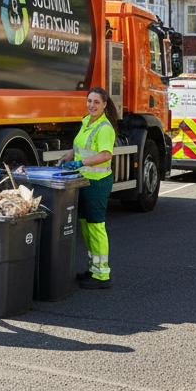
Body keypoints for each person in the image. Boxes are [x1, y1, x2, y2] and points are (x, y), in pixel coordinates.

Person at [59, 86, 117, 289]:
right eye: (89, 101)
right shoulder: (86, 122)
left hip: (96, 184)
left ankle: (102, 276)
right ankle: (94, 269)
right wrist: (69, 156)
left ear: (104, 105)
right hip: (83, 182)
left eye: (96, 102)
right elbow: (80, 147)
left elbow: (105, 155)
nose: (91, 105)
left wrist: (80, 162)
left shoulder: (105, 128)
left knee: (96, 227)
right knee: (85, 226)